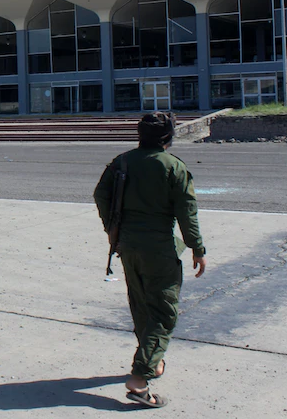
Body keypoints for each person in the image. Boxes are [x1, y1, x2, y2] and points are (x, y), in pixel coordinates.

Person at [93, 112, 207, 409]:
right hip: (159, 248)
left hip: (127, 245)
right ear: (168, 138)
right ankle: (140, 380)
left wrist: (112, 229)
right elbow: (187, 212)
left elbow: (101, 195)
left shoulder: (122, 161)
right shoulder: (173, 166)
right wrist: (197, 248)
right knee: (164, 313)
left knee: (142, 305)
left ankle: (152, 361)